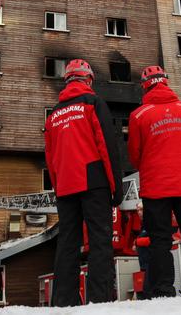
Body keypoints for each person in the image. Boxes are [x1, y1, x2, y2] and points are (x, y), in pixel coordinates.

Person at [127, 65, 181, 297]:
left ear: (145, 86)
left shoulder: (138, 116)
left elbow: (134, 156)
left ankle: (164, 290)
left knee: (159, 241)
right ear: (165, 81)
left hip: (156, 188)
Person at [44, 59, 123, 306]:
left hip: (66, 186)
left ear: (67, 81)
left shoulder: (54, 113)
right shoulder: (93, 103)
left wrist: (58, 188)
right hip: (94, 181)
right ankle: (99, 300)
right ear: (88, 80)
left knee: (68, 242)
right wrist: (116, 187)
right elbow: (107, 147)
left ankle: (62, 301)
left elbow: (50, 157)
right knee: (100, 239)